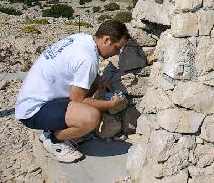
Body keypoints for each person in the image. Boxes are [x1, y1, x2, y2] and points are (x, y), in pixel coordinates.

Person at [15, 20, 130, 163]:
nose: (117, 53)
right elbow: (78, 100)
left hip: (33, 98)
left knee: (92, 83)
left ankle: (61, 127)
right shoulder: (88, 59)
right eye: (117, 48)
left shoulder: (82, 39)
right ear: (107, 39)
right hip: (33, 111)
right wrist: (112, 104)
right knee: (91, 117)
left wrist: (99, 81)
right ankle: (53, 139)